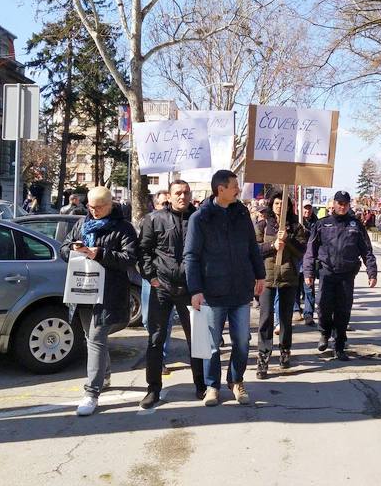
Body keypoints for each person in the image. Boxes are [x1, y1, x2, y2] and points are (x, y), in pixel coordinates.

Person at [184, 170, 265, 407]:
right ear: (221, 189)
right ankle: (212, 386)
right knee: (212, 344)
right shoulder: (200, 218)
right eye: (234, 186)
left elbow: (252, 247)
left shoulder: (242, 215)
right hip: (212, 292)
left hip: (240, 291)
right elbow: (191, 256)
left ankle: (236, 380)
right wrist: (195, 289)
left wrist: (260, 275)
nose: (238, 190)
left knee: (242, 340)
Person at [60, 186, 139, 416]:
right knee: (89, 337)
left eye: (99, 207)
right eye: (91, 207)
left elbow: (130, 258)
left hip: (108, 292)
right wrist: (74, 249)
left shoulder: (123, 228)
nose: (93, 211)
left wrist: (100, 253)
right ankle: (104, 377)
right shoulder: (81, 224)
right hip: (82, 290)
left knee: (95, 337)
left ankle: (92, 393)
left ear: (110, 205)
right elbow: (64, 247)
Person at [138, 179, 205, 408]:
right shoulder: (154, 219)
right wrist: (151, 277)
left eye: (186, 192)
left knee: (197, 340)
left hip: (191, 289)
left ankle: (201, 385)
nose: (182, 197)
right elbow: (144, 251)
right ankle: (153, 389)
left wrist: (201, 284)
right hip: (162, 288)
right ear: (170, 195)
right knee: (156, 339)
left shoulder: (200, 219)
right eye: (178, 192)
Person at [303, 190, 377, 361]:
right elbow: (310, 251)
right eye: (339, 203)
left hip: (346, 274)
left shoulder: (355, 225)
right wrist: (308, 271)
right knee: (323, 306)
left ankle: (339, 344)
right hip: (326, 273)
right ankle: (324, 333)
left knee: (343, 311)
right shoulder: (322, 224)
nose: (342, 206)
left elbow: (366, 250)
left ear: (348, 205)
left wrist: (371, 271)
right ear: (333, 204)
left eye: (345, 203)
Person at [255, 190, 308, 378]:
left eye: (282, 203)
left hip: (289, 278)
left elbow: (302, 251)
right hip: (267, 278)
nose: (279, 207)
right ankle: (263, 356)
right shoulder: (263, 226)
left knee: (285, 319)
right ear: (271, 205)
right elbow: (254, 250)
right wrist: (272, 246)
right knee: (265, 318)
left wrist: (289, 240)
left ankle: (285, 350)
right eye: (276, 203)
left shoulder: (296, 227)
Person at [300, 203, 319, 326]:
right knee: (296, 287)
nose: (307, 210)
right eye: (305, 208)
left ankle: (308, 313)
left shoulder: (317, 223)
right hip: (297, 257)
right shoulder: (296, 221)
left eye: (309, 208)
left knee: (308, 287)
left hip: (310, 258)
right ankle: (296, 309)